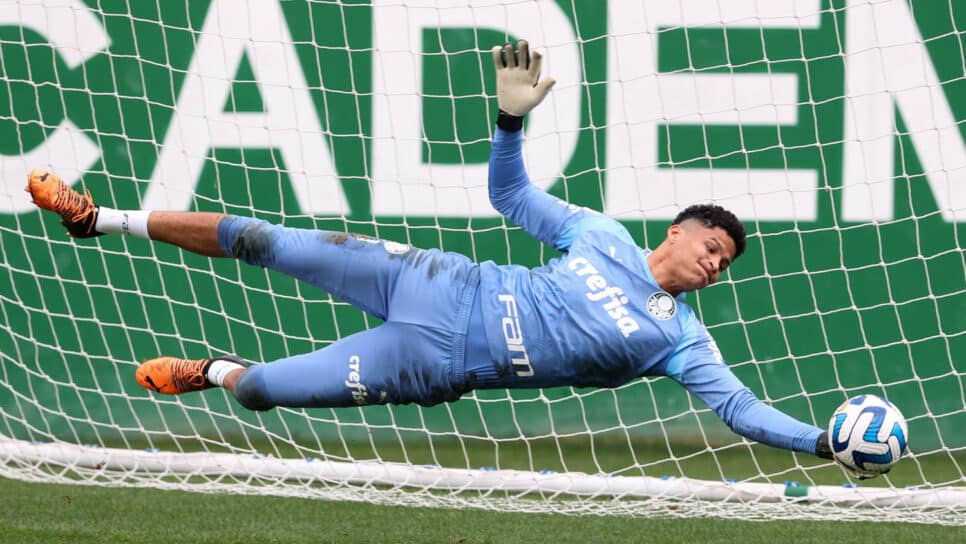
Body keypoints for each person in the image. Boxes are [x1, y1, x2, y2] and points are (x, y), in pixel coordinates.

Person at [26, 41, 833, 460]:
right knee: (261, 238)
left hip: (434, 363)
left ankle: (213, 371)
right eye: (713, 245)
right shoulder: (602, 234)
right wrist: (511, 123)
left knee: (264, 391)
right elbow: (511, 198)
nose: (715, 263)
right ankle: (99, 220)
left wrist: (819, 441)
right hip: (438, 282)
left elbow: (742, 412)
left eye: (725, 262)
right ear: (679, 231)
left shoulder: (681, 339)